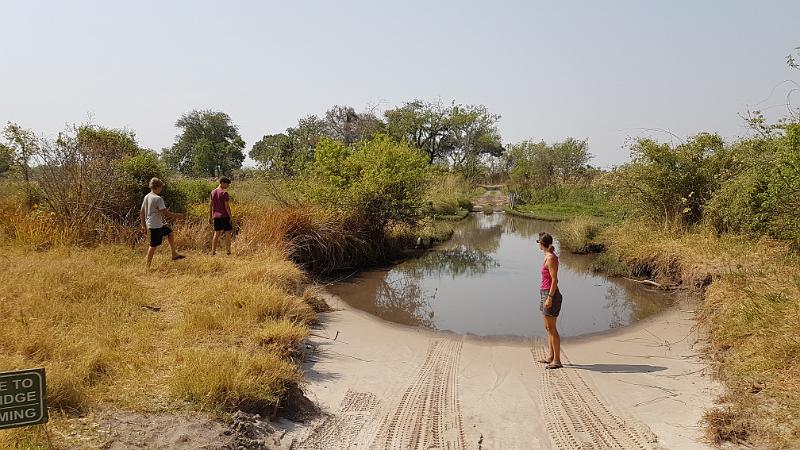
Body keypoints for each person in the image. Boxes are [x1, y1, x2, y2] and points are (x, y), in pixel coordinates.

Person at [140, 177, 185, 269]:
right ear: (157, 187)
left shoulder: (147, 196)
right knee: (153, 245)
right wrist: (178, 216)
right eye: (161, 187)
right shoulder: (158, 198)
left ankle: (174, 254)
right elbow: (166, 214)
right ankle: (147, 267)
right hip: (155, 225)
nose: (162, 189)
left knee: (169, 232)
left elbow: (142, 212)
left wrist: (143, 225)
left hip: (154, 224)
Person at [537, 232, 563, 369]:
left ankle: (557, 361)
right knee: (548, 328)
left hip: (550, 294)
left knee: (552, 329)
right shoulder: (547, 256)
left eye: (539, 243)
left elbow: (554, 280)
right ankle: (551, 356)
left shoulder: (551, 258)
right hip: (545, 293)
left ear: (541, 244)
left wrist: (550, 298)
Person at [209, 176, 233, 255]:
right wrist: (231, 216)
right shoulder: (224, 193)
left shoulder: (213, 192)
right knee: (227, 233)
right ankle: (228, 251)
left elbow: (210, 205)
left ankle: (213, 251)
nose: (227, 186)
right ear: (222, 183)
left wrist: (210, 217)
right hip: (225, 216)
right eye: (227, 184)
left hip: (216, 216)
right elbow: (227, 206)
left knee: (216, 233)